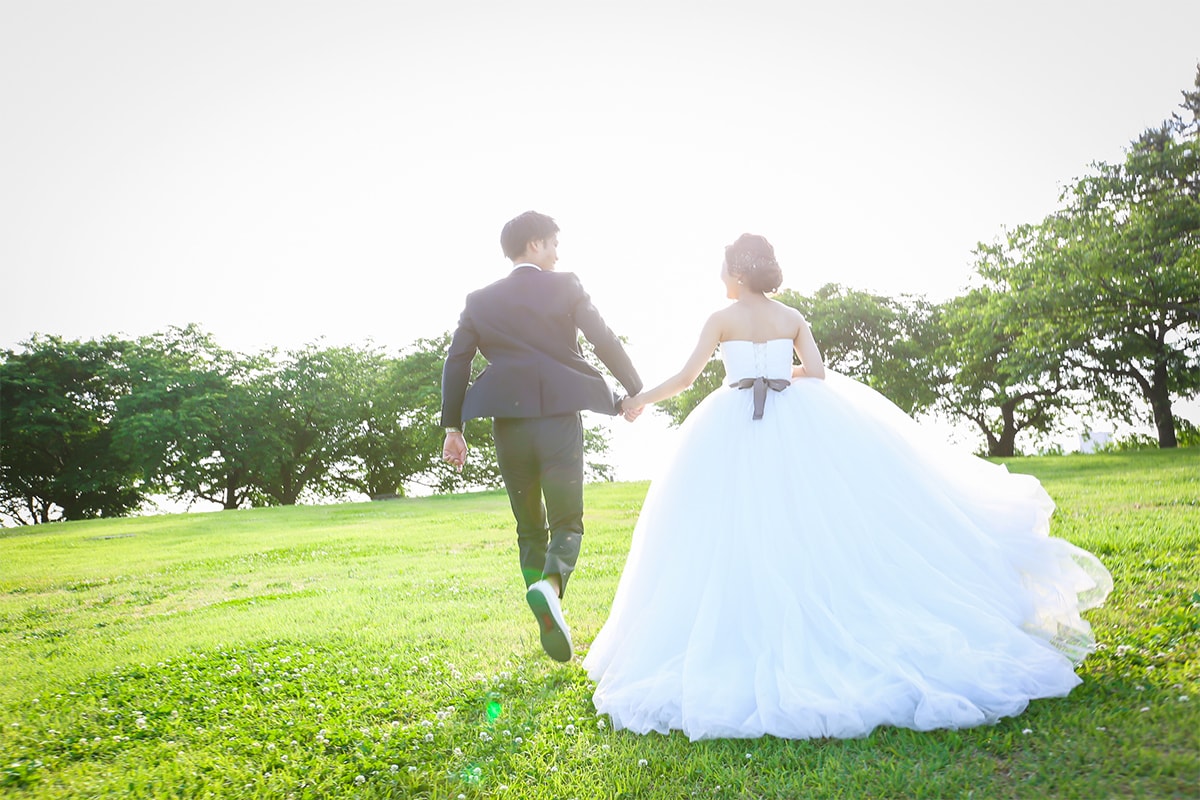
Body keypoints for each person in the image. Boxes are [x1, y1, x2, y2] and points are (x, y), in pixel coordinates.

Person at [582, 233, 1112, 740]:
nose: (719, 274)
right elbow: (817, 371)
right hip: (795, 416)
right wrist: (777, 371)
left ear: (738, 271)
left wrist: (638, 400)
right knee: (811, 514)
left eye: (724, 265)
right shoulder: (791, 317)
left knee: (737, 521)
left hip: (732, 423)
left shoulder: (722, 317)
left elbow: (686, 378)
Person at [441, 211, 644, 663]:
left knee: (529, 526)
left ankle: (543, 602)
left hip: (507, 423)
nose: (557, 253)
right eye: (553, 243)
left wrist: (453, 427)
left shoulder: (479, 300)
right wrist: (632, 388)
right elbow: (601, 338)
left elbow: (456, 362)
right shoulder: (567, 284)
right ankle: (550, 587)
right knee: (567, 521)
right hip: (558, 417)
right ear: (534, 244)